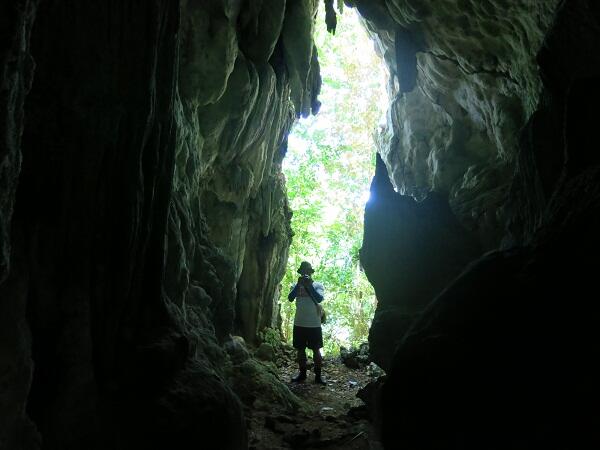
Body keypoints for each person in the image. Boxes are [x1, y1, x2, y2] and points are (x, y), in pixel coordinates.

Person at [288, 261, 326, 385]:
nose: (306, 274)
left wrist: (309, 286)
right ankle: (302, 374)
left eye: (307, 272)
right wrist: (298, 285)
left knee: (316, 350)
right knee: (300, 350)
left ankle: (318, 376)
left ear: (311, 273)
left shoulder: (318, 285)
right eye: (303, 272)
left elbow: (319, 298)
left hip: (314, 324)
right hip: (299, 323)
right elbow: (290, 298)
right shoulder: (295, 285)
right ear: (300, 273)